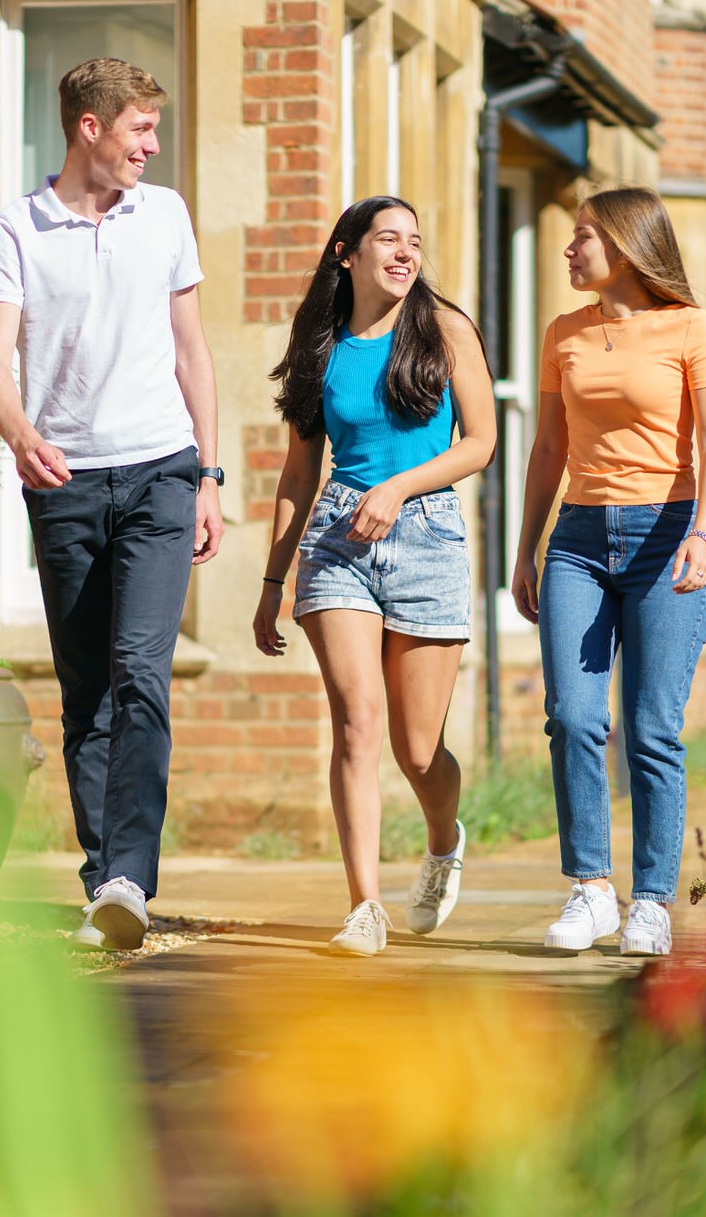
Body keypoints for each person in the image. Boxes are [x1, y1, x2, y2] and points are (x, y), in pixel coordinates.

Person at [0, 58, 223, 951]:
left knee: (140, 674)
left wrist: (209, 476)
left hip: (160, 468)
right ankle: (101, 877)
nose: (151, 148)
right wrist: (21, 436)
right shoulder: (17, 229)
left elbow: (192, 351)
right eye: (139, 132)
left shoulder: (166, 216)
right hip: (66, 483)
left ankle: (128, 876)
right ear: (90, 127)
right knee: (87, 690)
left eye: (154, 131)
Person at [253, 196, 496, 957]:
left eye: (414, 241)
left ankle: (442, 837)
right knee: (357, 721)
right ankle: (365, 906)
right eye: (387, 239)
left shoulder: (444, 329)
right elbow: (300, 469)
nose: (404, 252)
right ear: (345, 253)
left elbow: (481, 444)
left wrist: (399, 488)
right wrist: (272, 581)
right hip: (338, 540)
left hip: (427, 536)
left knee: (418, 750)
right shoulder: (320, 346)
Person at [510, 185, 706, 958]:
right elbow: (547, 450)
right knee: (573, 714)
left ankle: (651, 903)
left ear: (628, 245)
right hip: (577, 536)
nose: (568, 250)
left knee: (651, 728)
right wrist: (527, 546)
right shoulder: (563, 334)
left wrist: (704, 533)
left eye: (582, 238)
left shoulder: (691, 329)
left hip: (668, 532)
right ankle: (591, 890)